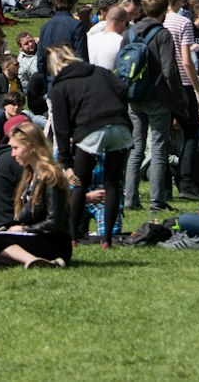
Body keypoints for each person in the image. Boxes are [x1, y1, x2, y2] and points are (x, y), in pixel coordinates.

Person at [44, 45, 133, 248]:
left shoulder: (60, 86)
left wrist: (65, 162)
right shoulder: (100, 71)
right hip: (120, 126)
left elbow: (62, 128)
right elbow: (123, 89)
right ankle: (107, 240)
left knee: (79, 183)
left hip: (91, 129)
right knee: (112, 184)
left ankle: (73, 238)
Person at [0, 124, 72, 268]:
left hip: (55, 242)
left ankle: (31, 260)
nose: (12, 154)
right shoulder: (30, 175)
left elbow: (54, 223)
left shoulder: (51, 176)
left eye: (15, 148)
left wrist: (23, 230)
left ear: (31, 147)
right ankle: (38, 262)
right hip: (40, 237)